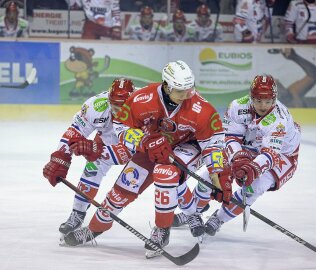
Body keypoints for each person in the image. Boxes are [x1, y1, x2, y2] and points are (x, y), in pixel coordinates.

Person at [61, 60, 231, 259]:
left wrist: (218, 179)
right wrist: (144, 141)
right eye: (180, 90)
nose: (187, 95)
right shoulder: (142, 98)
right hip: (151, 146)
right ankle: (93, 229)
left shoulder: (202, 109)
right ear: (167, 86)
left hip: (188, 147)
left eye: (189, 88)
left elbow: (213, 146)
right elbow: (122, 127)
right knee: (120, 192)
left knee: (165, 173)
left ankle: (162, 230)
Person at [185, 75, 301, 236]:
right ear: (251, 97)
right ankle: (192, 211)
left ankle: (219, 218)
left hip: (283, 154)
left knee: (254, 188)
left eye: (268, 101)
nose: (263, 105)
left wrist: (251, 168)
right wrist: (238, 158)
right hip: (249, 145)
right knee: (213, 173)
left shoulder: (279, 119)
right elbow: (230, 137)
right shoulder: (237, 106)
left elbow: (270, 154)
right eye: (258, 100)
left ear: (275, 99)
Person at [42, 78, 136, 237]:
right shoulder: (96, 105)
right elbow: (74, 132)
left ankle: (188, 213)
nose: (118, 111)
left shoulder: (144, 104)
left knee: (160, 178)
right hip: (107, 144)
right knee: (90, 172)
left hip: (138, 149)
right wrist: (60, 158)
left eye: (123, 106)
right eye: (114, 105)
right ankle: (78, 213)